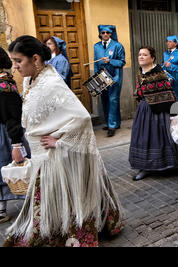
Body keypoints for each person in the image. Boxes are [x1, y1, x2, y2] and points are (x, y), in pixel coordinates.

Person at [4, 35, 123, 247]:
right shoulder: (29, 79)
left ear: (36, 59)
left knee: (68, 198)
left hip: (57, 155)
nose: (15, 66)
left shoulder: (52, 83)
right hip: (41, 154)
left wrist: (59, 140)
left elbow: (82, 118)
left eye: (18, 61)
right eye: (13, 61)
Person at [130, 46, 178, 181]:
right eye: (139, 54)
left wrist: (174, 113)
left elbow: (168, 93)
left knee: (165, 138)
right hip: (144, 110)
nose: (141, 57)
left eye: (144, 55)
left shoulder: (159, 73)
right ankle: (145, 167)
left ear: (152, 58)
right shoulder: (140, 72)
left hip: (159, 111)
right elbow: (139, 91)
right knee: (143, 138)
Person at [0, 47, 29, 224]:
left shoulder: (6, 86)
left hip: (6, 135)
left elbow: (13, 117)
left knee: (16, 169)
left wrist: (16, 144)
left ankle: (33, 204)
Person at [94, 25, 126, 137]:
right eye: (103, 33)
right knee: (105, 100)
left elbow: (122, 62)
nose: (105, 34)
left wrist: (110, 61)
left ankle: (112, 126)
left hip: (114, 76)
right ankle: (112, 122)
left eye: (108, 32)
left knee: (113, 100)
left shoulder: (117, 46)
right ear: (100, 34)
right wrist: (96, 77)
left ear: (111, 34)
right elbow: (95, 62)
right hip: (102, 77)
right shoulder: (96, 46)